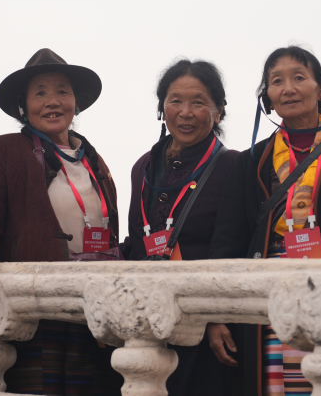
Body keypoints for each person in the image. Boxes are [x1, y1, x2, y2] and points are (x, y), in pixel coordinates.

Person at [0, 48, 123, 395]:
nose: (52, 101)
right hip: (38, 309)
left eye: (62, 91)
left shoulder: (93, 159)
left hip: (93, 305)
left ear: (76, 102)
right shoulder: (3, 152)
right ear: (23, 105)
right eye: (40, 92)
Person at [207, 46, 321, 396]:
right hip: (270, 295)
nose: (288, 89)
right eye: (277, 81)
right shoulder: (251, 161)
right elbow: (229, 240)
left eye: (299, 77)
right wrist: (216, 313)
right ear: (267, 95)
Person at [126, 59, 241, 394]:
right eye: (175, 101)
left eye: (198, 102)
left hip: (203, 324)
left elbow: (230, 246)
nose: (185, 112)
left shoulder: (233, 165)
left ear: (219, 111)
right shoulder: (143, 167)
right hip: (147, 316)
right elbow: (136, 239)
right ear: (162, 108)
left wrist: (216, 315)